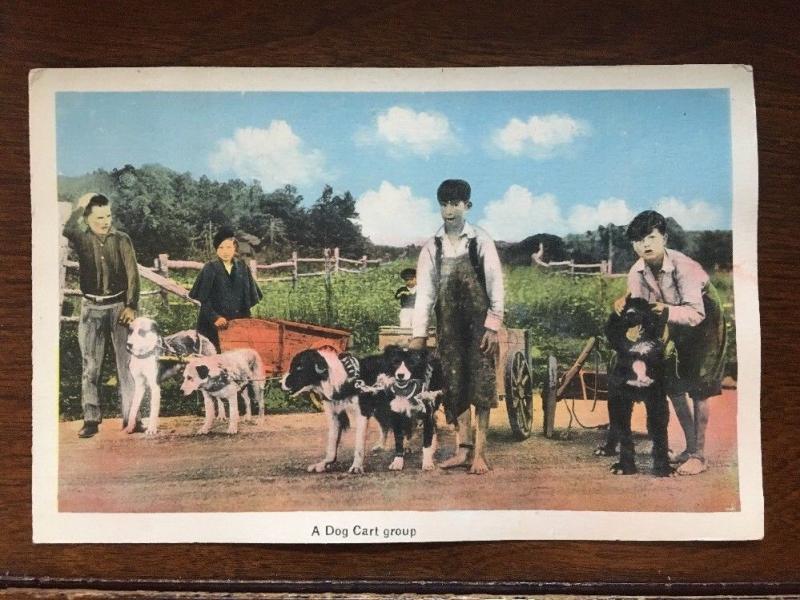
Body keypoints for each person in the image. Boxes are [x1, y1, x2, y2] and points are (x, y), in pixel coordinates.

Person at [613, 210, 727, 475]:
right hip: (671, 319)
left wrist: (662, 310)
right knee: (673, 385)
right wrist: (624, 305)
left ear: (664, 237)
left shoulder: (684, 266)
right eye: (639, 240)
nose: (646, 245)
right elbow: (641, 311)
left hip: (706, 320)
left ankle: (699, 456)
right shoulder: (636, 272)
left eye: (652, 237)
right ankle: (689, 448)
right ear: (633, 245)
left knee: (699, 387)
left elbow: (695, 313)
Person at [409, 179, 504, 474]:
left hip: (479, 326)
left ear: (467, 206)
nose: (449, 210)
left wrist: (492, 326)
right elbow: (424, 295)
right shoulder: (432, 248)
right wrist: (418, 336)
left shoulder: (480, 241)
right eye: (444, 204)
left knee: (481, 383)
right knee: (454, 384)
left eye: (455, 203)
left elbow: (496, 285)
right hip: (449, 326)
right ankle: (463, 450)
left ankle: (480, 454)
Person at [62, 192, 141, 438]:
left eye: (108, 215)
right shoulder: (81, 238)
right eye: (98, 217)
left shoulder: (122, 240)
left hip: (120, 309)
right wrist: (80, 204)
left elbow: (132, 274)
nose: (105, 221)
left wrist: (131, 305)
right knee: (91, 366)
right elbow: (66, 227)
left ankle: (132, 417)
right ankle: (91, 419)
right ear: (87, 219)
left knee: (126, 365)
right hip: (91, 309)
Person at [189, 226, 263, 353]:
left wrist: (243, 319)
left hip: (237, 325)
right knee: (214, 358)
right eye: (221, 248)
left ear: (235, 248)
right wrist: (215, 317)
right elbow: (203, 299)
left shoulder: (242, 268)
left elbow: (250, 297)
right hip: (213, 326)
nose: (225, 251)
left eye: (229, 247)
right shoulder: (210, 268)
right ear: (217, 250)